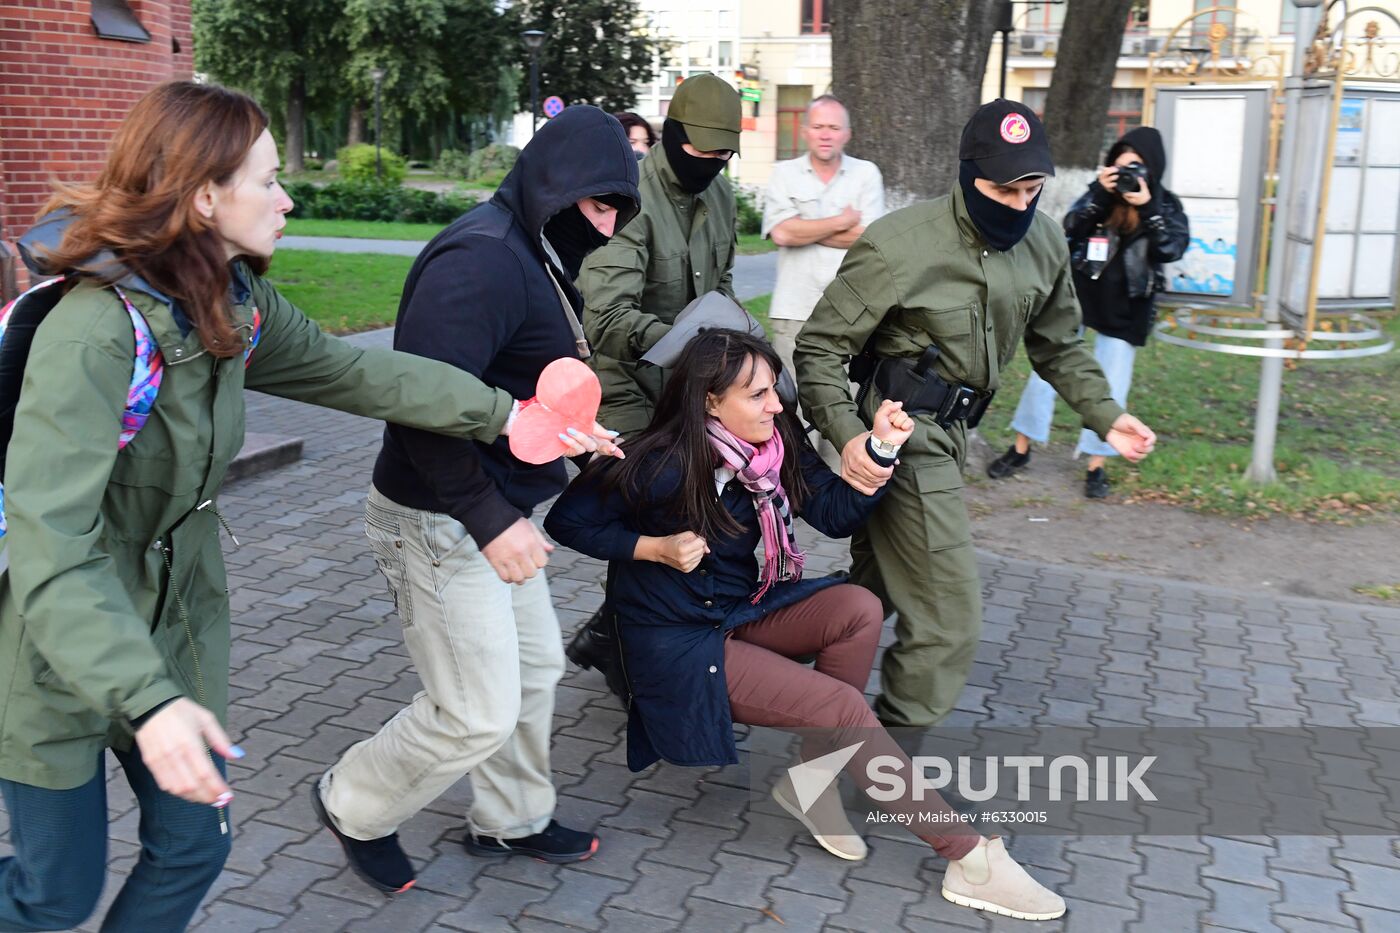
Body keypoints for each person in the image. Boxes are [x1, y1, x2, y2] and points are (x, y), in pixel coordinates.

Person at [0, 81, 584, 932]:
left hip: (177, 628)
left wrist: (513, 415)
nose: (288, 197)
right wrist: (150, 703)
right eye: (268, 180)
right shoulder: (93, 335)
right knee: (54, 895)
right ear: (204, 195)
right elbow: (54, 550)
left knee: (194, 848)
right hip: (61, 647)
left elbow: (360, 373)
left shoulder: (231, 302)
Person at [545, 330, 1066, 922]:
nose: (776, 405)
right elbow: (569, 522)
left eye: (775, 390)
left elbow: (834, 513)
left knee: (857, 609)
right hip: (677, 639)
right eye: (758, 394)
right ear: (710, 401)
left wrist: (881, 450)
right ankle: (969, 856)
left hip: (739, 608)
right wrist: (652, 548)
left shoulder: (774, 443)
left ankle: (812, 784)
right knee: (842, 710)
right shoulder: (661, 461)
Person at [312, 105, 638, 894]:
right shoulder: (482, 260)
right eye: (596, 206)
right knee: (474, 710)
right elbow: (419, 404)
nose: (604, 227)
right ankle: (352, 801)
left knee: (533, 672)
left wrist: (575, 432)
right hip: (438, 520)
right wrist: (491, 520)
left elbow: (507, 386)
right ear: (553, 185)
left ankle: (510, 820)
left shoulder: (530, 247)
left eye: (617, 212)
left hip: (489, 512)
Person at [795, 100, 1158, 730]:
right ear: (968, 175)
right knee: (949, 619)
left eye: (1032, 190)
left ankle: (722, 652)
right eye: (1003, 190)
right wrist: (849, 437)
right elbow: (821, 347)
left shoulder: (1044, 241)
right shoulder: (900, 245)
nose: (1019, 205)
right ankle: (871, 771)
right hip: (901, 434)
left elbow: (1060, 345)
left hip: (958, 431)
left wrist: (1107, 414)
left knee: (866, 597)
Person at [989, 126, 1188, 498]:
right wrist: (1100, 191)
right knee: (1046, 375)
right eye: (1121, 166)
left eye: (1137, 168)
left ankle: (1096, 465)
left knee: (1110, 388)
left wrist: (1148, 207)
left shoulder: (1166, 204)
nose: (1129, 175)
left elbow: (1171, 249)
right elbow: (1070, 229)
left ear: (1153, 170)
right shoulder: (1101, 196)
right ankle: (1021, 447)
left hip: (1126, 310)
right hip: (1078, 299)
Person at [579, 73, 742, 436]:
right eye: (705, 151)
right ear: (674, 135)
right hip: (622, 386)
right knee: (640, 484)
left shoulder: (722, 195)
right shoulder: (627, 197)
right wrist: (693, 344)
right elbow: (605, 319)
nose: (715, 162)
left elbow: (722, 283)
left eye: (725, 153)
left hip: (694, 386)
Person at [762, 95, 884, 382]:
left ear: (847, 134)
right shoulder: (784, 173)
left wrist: (803, 229)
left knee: (848, 405)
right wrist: (843, 221)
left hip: (852, 313)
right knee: (794, 407)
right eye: (818, 127)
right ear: (805, 131)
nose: (825, 134)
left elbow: (870, 240)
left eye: (833, 127)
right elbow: (781, 233)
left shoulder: (866, 174)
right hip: (794, 310)